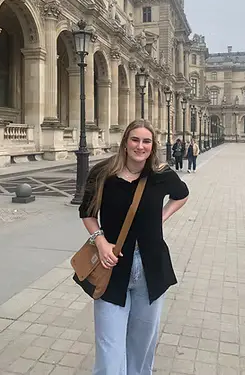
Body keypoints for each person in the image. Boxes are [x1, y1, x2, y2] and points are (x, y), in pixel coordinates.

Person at [79, 119, 189, 375]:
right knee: (109, 351)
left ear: (153, 146)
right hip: (112, 267)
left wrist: (161, 216)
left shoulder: (161, 175)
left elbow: (182, 194)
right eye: (135, 140)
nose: (140, 146)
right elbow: (86, 212)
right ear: (125, 143)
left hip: (151, 268)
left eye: (146, 141)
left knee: (141, 348)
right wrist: (101, 240)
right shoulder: (103, 173)